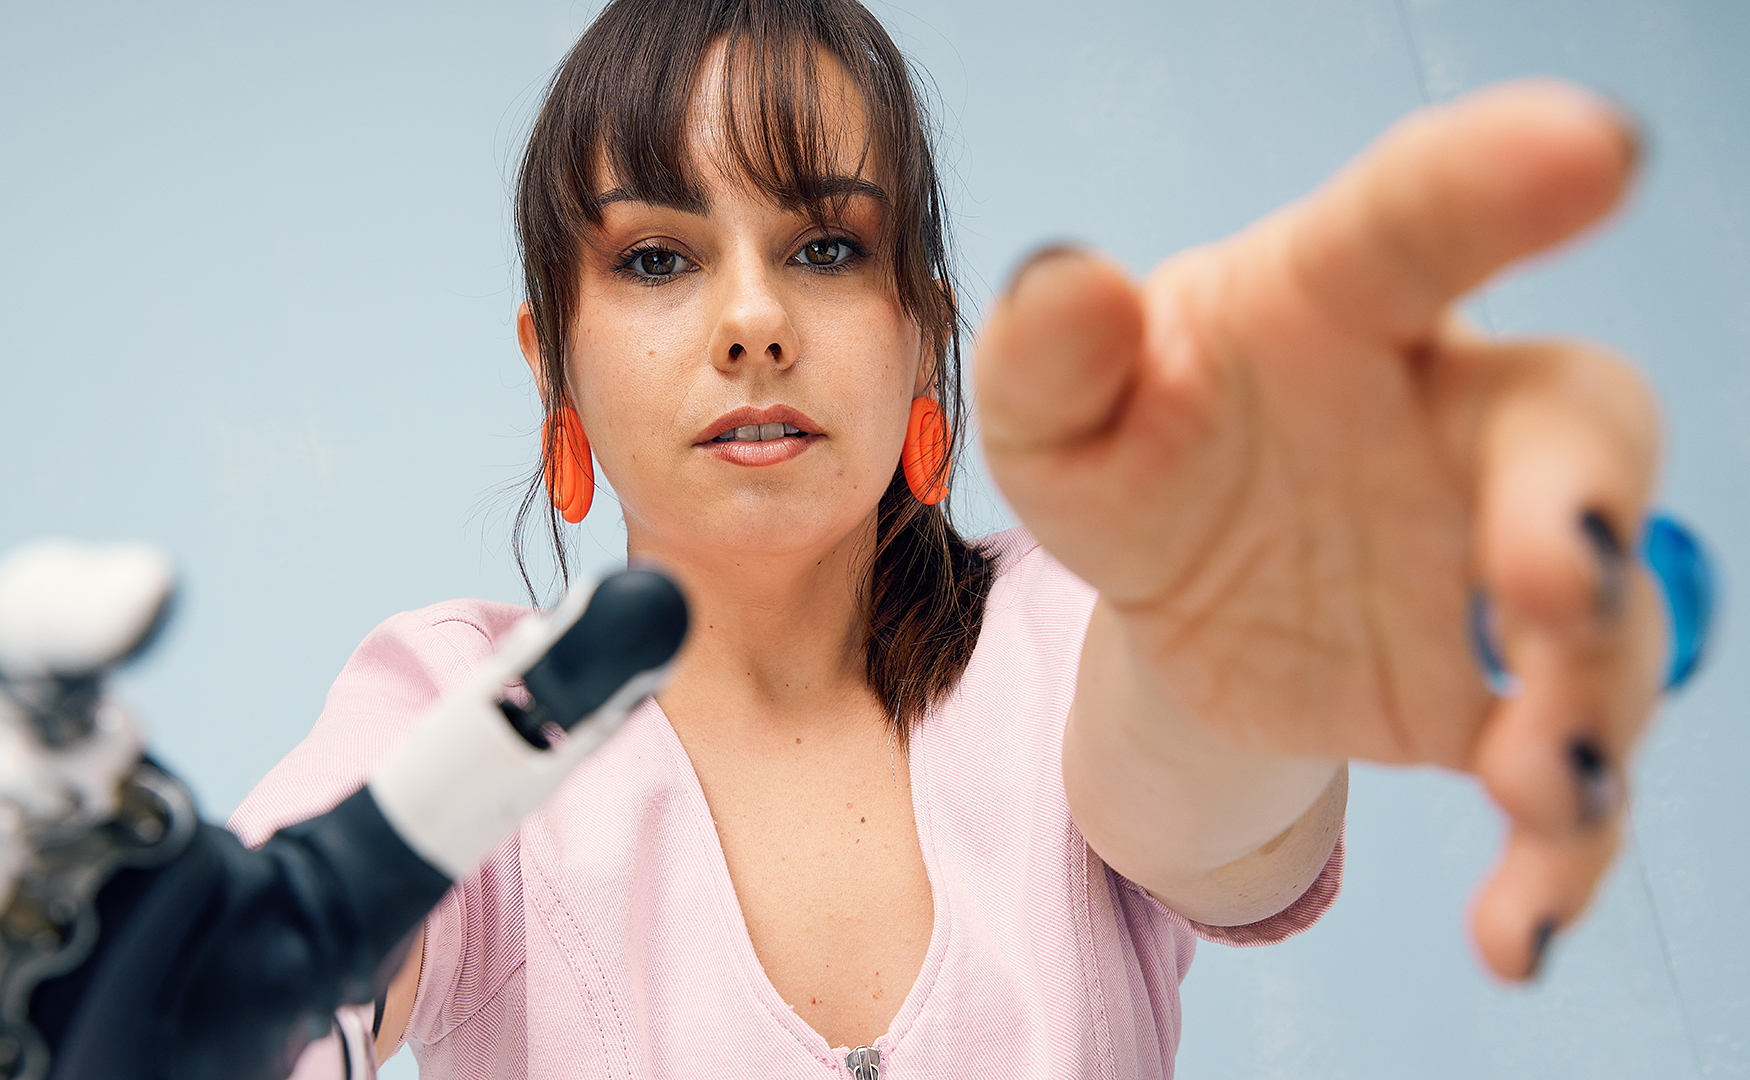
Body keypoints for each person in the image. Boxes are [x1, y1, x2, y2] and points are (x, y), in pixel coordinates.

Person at [228, 0, 1672, 1075]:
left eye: (827, 248)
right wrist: (205, 997)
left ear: (921, 335)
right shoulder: (460, 709)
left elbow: (1206, 804)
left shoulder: (1069, 637)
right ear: (557, 364)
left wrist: (1236, 602)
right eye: (658, 258)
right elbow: (271, 949)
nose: (752, 321)